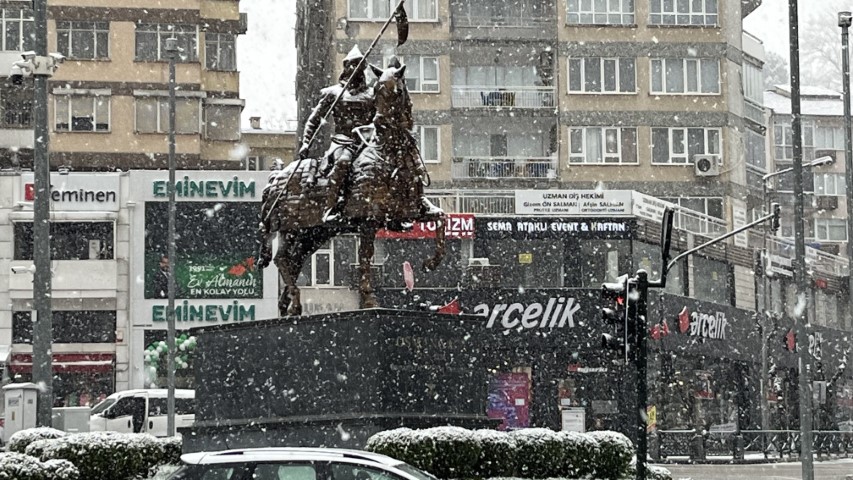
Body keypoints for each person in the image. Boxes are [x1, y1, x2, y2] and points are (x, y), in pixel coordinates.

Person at [299, 45, 376, 222]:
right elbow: (314, 119)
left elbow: (378, 119)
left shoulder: (372, 94)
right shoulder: (334, 93)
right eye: (350, 64)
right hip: (343, 141)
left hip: (366, 142)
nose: (353, 68)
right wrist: (306, 142)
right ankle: (330, 207)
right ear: (345, 67)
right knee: (343, 162)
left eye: (357, 64)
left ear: (363, 68)